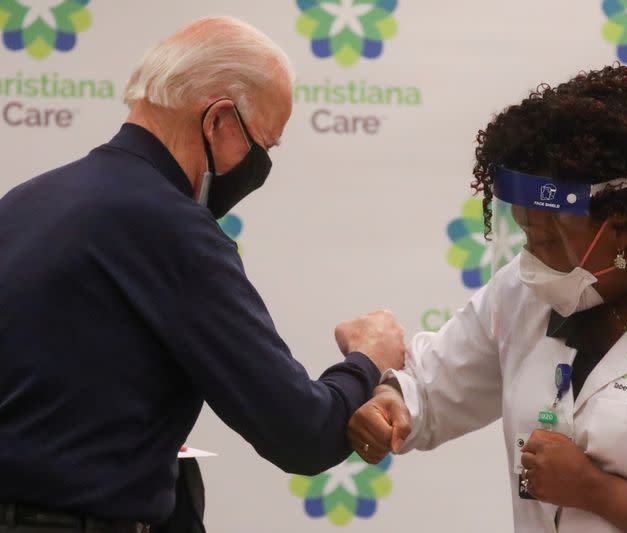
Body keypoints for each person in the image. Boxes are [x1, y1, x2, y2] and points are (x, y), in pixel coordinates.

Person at [348, 65, 627, 532]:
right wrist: (392, 403)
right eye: (526, 233)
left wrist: (601, 494)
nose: (533, 258)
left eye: (549, 237)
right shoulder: (524, 291)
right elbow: (434, 385)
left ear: (626, 226)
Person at [0, 16, 405, 533]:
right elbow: (301, 432)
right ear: (218, 121)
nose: (259, 168)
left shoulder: (24, 201)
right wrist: (367, 358)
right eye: (263, 147)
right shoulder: (169, 226)